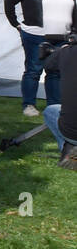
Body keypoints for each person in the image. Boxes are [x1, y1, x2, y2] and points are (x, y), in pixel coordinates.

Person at [3, 0, 76, 117]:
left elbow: (73, 8)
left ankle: (54, 105)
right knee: (33, 70)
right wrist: (16, 24)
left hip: (61, 36)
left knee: (55, 71)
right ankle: (29, 104)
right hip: (35, 36)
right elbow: (9, 2)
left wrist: (74, 31)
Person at [40, 38, 77, 170]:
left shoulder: (67, 52)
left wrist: (61, 50)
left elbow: (48, 65)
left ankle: (70, 153)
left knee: (50, 111)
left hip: (72, 131)